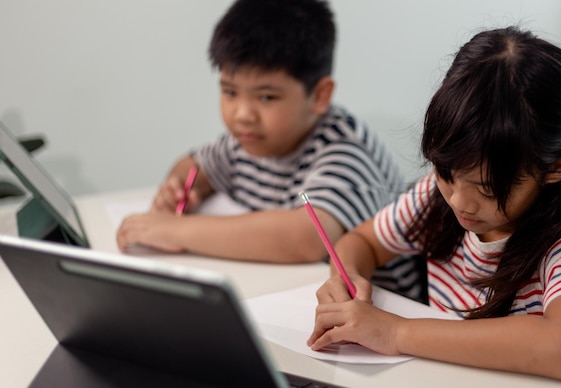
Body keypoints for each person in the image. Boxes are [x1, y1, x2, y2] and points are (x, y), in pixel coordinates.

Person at [307, 26, 561, 382]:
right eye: (446, 172)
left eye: (488, 189)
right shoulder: (439, 194)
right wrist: (347, 275)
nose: (460, 201)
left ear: (558, 166)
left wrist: (396, 332)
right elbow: (363, 242)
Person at [116, 0, 423, 299]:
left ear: (320, 95)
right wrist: (180, 188)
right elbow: (193, 166)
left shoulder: (347, 149)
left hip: (385, 313)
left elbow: (305, 238)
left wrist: (176, 230)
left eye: (266, 97)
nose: (242, 114)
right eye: (229, 92)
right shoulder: (247, 141)